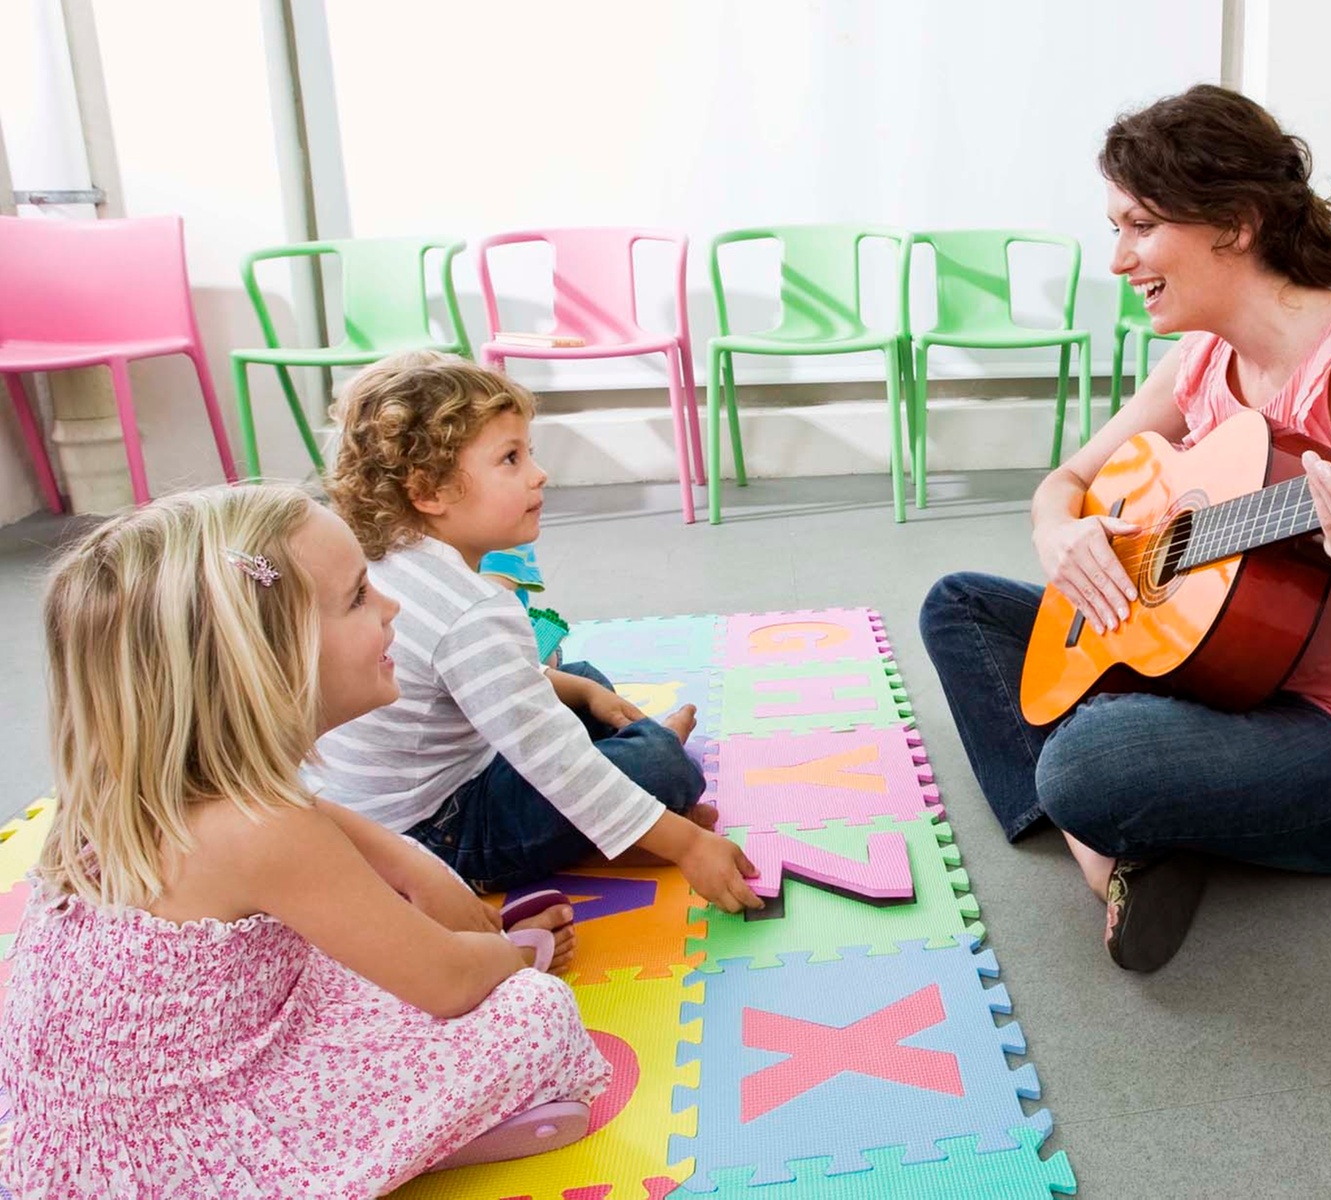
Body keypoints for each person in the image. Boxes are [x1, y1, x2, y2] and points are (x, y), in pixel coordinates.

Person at [920, 85, 1331, 972]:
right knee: (958, 605)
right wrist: (1059, 534)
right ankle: (1119, 852)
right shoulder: (1203, 353)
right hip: (1225, 681)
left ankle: (1115, 823)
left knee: (1084, 763)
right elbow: (1066, 481)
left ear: (1234, 225)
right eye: (1115, 229)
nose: (1118, 259)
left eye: (1139, 226)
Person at [0, 485, 607, 1194]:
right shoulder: (264, 832)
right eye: (358, 598)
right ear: (266, 665)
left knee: (352, 955)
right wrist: (508, 956)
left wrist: (418, 875)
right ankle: (381, 1149)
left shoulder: (123, 787)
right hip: (174, 1155)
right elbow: (447, 981)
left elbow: (342, 835)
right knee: (534, 1012)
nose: (391, 607)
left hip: (64, 1126)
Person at [309, 352, 761, 912]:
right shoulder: (471, 611)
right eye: (510, 458)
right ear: (429, 490)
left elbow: (483, 687)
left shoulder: (388, 563)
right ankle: (630, 821)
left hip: (387, 807)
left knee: (583, 680)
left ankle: (625, 806)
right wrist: (687, 844)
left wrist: (580, 691)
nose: (538, 473)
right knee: (664, 767)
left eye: (529, 452)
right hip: (436, 835)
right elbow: (554, 762)